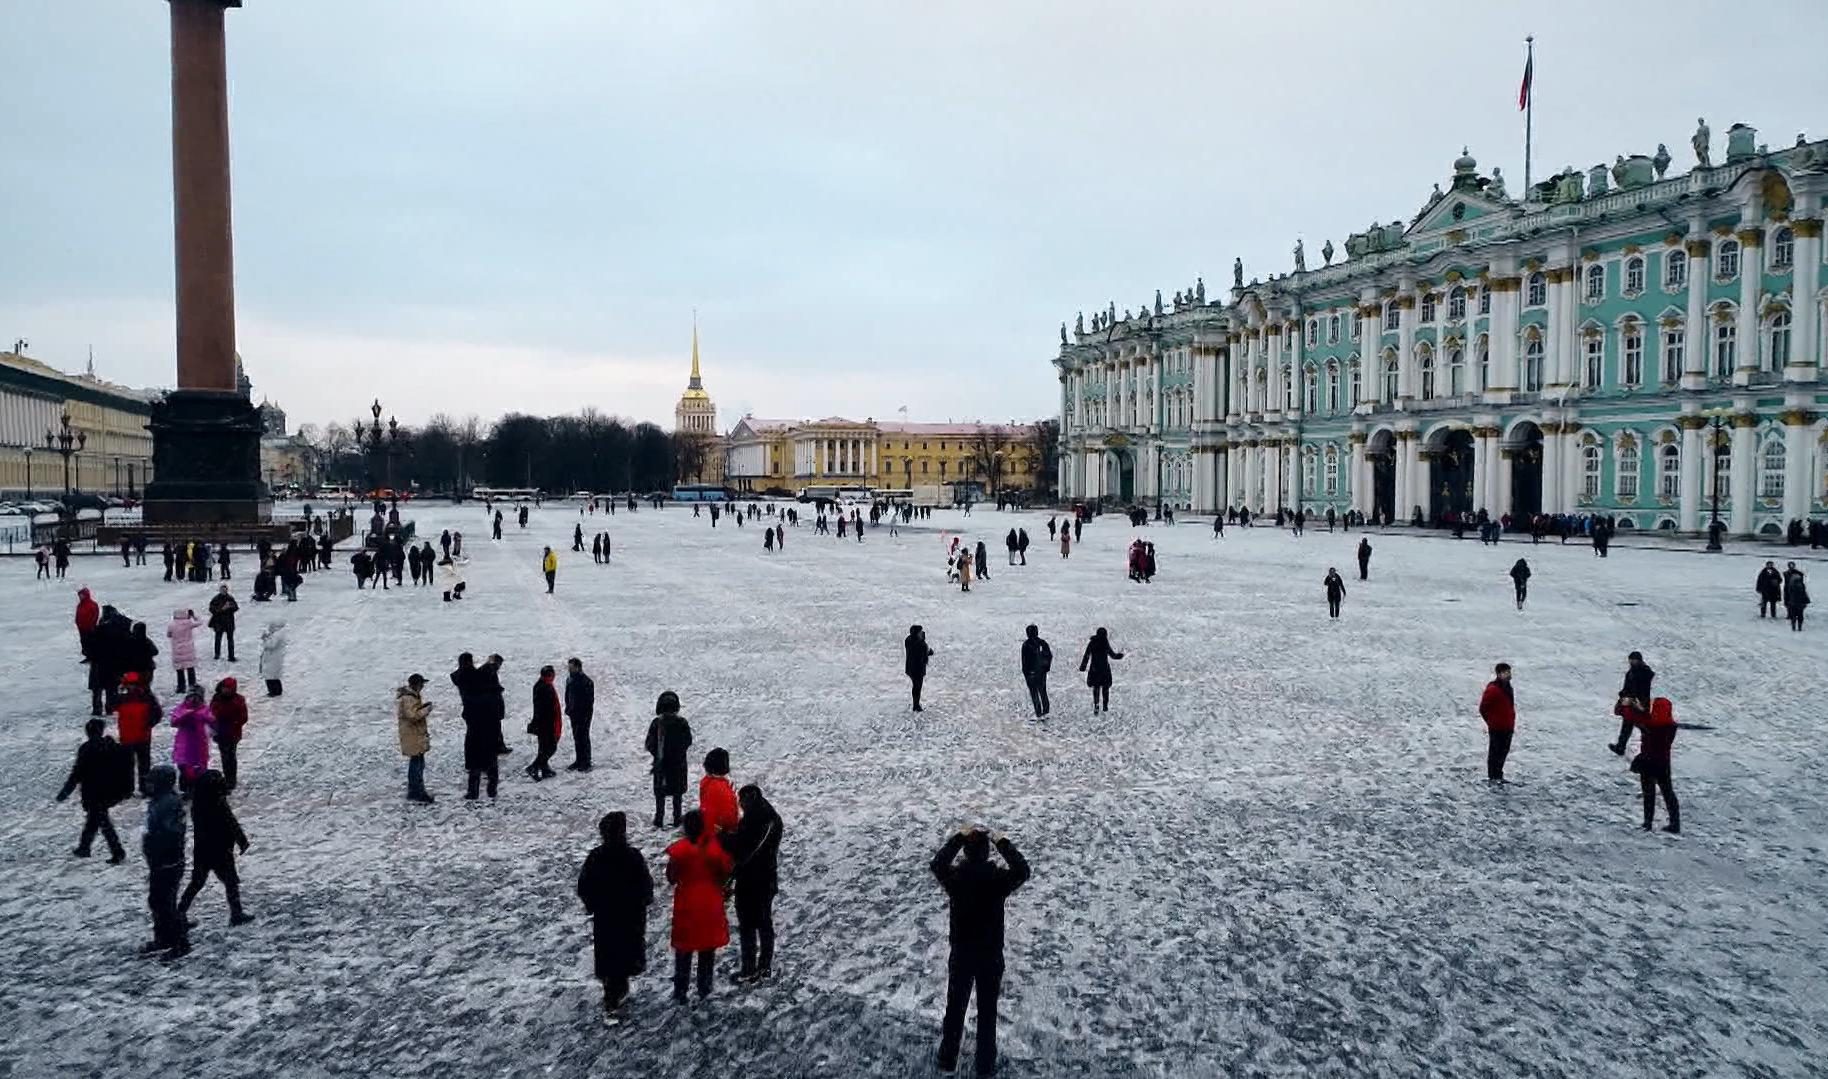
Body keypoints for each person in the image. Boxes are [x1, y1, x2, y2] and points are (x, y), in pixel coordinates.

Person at [931, 827, 1030, 1078]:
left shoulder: (956, 878)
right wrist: (1002, 841)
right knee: (987, 1014)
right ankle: (985, 1067)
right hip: (990, 956)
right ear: (987, 854)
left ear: (966, 851)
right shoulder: (997, 880)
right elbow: (1022, 870)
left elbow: (937, 864)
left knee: (955, 1009)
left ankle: (947, 1060)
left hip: (962, 954)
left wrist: (958, 838)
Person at [577, 811, 654, 1016]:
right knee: (626, 951)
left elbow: (584, 886)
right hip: (630, 915)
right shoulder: (632, 856)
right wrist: (644, 901)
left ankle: (611, 993)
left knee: (609, 952)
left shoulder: (596, 856)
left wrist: (592, 905)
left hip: (606, 915)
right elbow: (645, 885)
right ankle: (619, 989)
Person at [665, 810, 734, 1003]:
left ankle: (681, 990)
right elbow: (725, 870)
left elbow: (671, 877)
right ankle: (704, 988)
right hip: (710, 902)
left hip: (687, 904)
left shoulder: (680, 852)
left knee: (684, 949)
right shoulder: (714, 850)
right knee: (707, 948)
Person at [178, 769, 252, 926]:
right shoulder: (219, 804)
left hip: (203, 850)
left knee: (197, 882)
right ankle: (236, 913)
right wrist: (241, 840)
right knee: (230, 881)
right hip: (221, 849)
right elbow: (231, 823)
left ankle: (180, 911)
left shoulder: (198, 806)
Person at [726, 785, 782, 984]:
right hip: (765, 880)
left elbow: (744, 848)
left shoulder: (758, 822)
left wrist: (722, 837)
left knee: (749, 926)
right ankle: (764, 966)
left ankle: (751, 968)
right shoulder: (769, 817)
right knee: (763, 923)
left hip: (752, 881)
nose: (739, 805)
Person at [56, 718, 129, 863]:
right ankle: (84, 847)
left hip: (93, 792)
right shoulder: (111, 746)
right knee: (95, 819)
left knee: (103, 822)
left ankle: (117, 851)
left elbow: (77, 773)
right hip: (108, 790)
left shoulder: (87, 748)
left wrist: (65, 792)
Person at [141, 764, 190, 957]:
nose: (148, 784)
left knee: (165, 903)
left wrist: (155, 846)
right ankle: (163, 938)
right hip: (161, 861)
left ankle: (179, 942)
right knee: (157, 901)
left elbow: (170, 833)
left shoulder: (167, 803)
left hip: (167, 861)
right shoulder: (161, 801)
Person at [452, 653, 502, 800]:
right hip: (488, 723)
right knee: (490, 757)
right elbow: (487, 674)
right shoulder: (483, 680)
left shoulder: (464, 680)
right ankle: (491, 790)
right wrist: (490, 664)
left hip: (474, 724)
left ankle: (473, 792)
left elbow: (459, 676)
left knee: (475, 760)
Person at [1632, 697, 1680, 833]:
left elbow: (1637, 719)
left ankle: (1647, 823)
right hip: (1664, 763)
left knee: (1649, 794)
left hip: (1647, 762)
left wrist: (1637, 708)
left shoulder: (1648, 725)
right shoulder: (1671, 727)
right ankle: (1675, 823)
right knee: (1668, 793)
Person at [646, 691, 693, 827]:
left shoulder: (657, 723)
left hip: (661, 765)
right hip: (678, 765)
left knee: (660, 794)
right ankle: (677, 818)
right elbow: (688, 741)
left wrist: (657, 754)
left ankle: (659, 818)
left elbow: (649, 743)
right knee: (677, 794)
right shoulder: (682, 723)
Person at [115, 672, 163, 795]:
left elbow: (157, 713)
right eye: (128, 685)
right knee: (130, 764)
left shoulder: (146, 697)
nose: (130, 687)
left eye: (132, 684)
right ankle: (130, 789)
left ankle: (142, 787)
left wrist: (148, 724)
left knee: (142, 764)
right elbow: (110, 706)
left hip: (140, 735)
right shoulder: (140, 696)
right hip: (130, 735)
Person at [397, 673, 434, 804]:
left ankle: (416, 791)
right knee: (416, 765)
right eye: (422, 684)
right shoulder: (409, 698)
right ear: (417, 685)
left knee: (418, 763)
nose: (423, 686)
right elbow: (412, 716)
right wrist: (426, 710)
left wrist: (423, 707)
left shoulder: (411, 697)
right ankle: (416, 792)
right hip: (413, 736)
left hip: (415, 735)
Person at [1608, 651, 1654, 756]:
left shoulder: (1644, 672)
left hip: (1639, 704)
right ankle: (1620, 747)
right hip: (1631, 703)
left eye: (1634, 660)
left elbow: (1641, 688)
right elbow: (1628, 686)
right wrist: (1623, 696)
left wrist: (1632, 700)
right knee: (1627, 725)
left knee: (1643, 727)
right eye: (1631, 660)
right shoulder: (1632, 671)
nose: (1631, 662)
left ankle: (1648, 750)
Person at [1479, 663, 1516, 784]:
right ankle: (1493, 777)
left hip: (1508, 727)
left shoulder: (1508, 688)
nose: (1509, 675)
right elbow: (1483, 708)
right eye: (1507, 672)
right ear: (1499, 674)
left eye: (1509, 672)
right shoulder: (1493, 690)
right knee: (1495, 753)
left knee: (1503, 753)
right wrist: (1491, 722)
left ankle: (1498, 776)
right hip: (1497, 728)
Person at [170, 687, 213, 793]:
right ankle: (185, 789)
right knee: (184, 767)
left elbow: (212, 719)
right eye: (191, 698)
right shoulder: (181, 708)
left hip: (199, 742)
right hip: (184, 743)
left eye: (196, 698)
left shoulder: (204, 709)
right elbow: (174, 721)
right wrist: (185, 715)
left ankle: (198, 788)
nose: (193, 701)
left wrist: (201, 716)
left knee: (199, 766)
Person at [209, 678, 248, 791]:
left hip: (232, 733)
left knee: (230, 756)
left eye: (228, 688)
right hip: (221, 732)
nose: (226, 690)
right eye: (225, 688)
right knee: (225, 757)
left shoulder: (238, 701)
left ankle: (231, 780)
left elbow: (243, 717)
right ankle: (228, 778)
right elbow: (211, 714)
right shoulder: (217, 699)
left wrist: (233, 722)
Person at [526, 665, 561, 781]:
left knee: (543, 747)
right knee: (551, 747)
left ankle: (545, 769)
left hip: (541, 722)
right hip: (546, 724)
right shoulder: (546, 687)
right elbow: (547, 709)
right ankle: (534, 766)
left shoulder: (540, 685)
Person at [1078, 628, 1124, 713]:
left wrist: (1083, 667)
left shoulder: (1092, 642)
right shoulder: (1105, 643)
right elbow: (1112, 655)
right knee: (1105, 688)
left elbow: (1087, 655)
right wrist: (1119, 656)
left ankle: (1096, 705)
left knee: (1096, 687)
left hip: (1095, 669)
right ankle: (1105, 705)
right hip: (1104, 669)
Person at [699, 748, 739, 837]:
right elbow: (729, 817)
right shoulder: (721, 787)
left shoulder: (710, 785)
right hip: (721, 834)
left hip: (714, 833)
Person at [564, 657, 595, 771]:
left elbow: (589, 701)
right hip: (574, 713)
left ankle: (586, 762)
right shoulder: (570, 679)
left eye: (571, 667)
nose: (569, 669)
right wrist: (568, 707)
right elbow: (567, 695)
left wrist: (584, 714)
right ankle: (579, 760)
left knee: (584, 737)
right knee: (577, 737)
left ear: (578, 667)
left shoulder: (586, 682)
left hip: (583, 715)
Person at [166, 608, 203, 693]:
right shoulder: (188, 623)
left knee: (179, 670)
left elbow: (169, 635)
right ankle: (192, 684)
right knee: (190, 668)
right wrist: (194, 616)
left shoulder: (171, 624)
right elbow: (200, 622)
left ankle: (181, 687)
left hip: (177, 649)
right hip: (188, 649)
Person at [1020, 625, 1052, 718]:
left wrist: (1026, 672)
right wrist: (1046, 668)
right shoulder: (1041, 643)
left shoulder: (1027, 645)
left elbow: (1024, 661)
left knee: (1037, 693)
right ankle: (1044, 712)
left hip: (1034, 673)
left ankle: (1041, 713)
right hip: (1038, 672)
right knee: (1041, 692)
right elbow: (1048, 656)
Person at [905, 625, 934, 712]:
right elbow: (926, 654)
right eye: (920, 632)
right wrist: (928, 649)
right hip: (918, 669)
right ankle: (916, 705)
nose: (922, 633)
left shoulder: (908, 640)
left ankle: (916, 704)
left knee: (915, 686)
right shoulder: (921, 644)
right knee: (917, 687)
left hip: (910, 668)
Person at [207, 586, 239, 662]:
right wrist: (222, 609)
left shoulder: (230, 598)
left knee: (230, 639)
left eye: (225, 590)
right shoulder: (216, 599)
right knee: (218, 639)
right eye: (222, 590)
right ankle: (217, 654)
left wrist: (230, 607)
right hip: (219, 622)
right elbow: (212, 609)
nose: (224, 591)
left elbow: (236, 608)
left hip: (229, 622)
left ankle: (231, 656)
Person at [258, 621, 286, 698]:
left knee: (270, 676)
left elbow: (271, 645)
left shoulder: (277, 635)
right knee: (274, 676)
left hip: (272, 659)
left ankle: (273, 691)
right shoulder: (278, 634)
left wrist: (265, 639)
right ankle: (277, 691)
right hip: (273, 658)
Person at [75, 587, 100, 663]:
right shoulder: (80, 605)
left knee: (90, 643)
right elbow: (78, 615)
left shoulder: (93, 604)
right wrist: (77, 623)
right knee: (84, 642)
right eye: (79, 596)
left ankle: (93, 657)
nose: (80, 597)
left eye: (82, 595)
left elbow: (96, 615)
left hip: (90, 628)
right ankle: (88, 656)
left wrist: (92, 625)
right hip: (82, 628)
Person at [1783, 562, 1810, 631]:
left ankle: (1794, 626)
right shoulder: (1799, 585)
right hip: (1797, 602)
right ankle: (1796, 626)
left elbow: (1803, 594)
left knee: (1795, 614)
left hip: (1795, 602)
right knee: (1798, 614)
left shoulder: (1795, 585)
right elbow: (1804, 594)